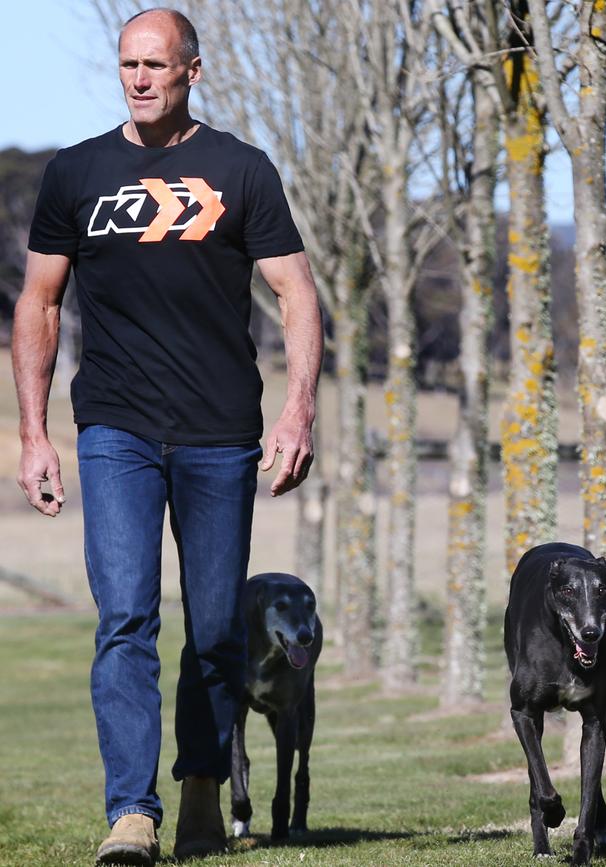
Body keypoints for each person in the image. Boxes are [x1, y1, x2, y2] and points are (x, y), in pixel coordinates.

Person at [12, 7, 322, 865]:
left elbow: (296, 292)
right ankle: (130, 813)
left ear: (192, 68)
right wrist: (35, 435)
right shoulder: (77, 173)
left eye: (155, 64)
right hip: (114, 428)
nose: (139, 78)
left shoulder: (241, 169)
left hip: (221, 434)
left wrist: (297, 410)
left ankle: (197, 786)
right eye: (127, 65)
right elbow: (37, 303)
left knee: (217, 627)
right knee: (125, 619)